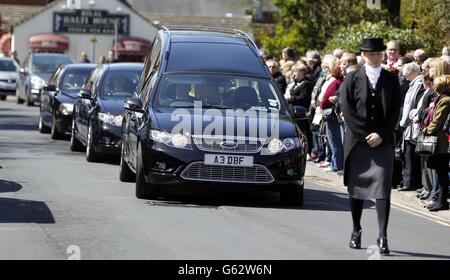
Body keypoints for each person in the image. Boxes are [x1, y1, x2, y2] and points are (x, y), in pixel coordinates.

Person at [341, 38, 402, 255]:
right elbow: (347, 110)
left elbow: (396, 110)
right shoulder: (351, 78)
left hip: (383, 141)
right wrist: (367, 134)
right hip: (358, 142)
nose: (376, 57)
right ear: (363, 55)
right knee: (357, 189)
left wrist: (382, 134)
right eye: (371, 54)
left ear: (383, 55)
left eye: (379, 54)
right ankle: (356, 230)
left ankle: (383, 235)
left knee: (383, 187)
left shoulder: (391, 79)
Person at [423, 75, 450, 211]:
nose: (433, 85)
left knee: (442, 172)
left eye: (436, 83)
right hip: (439, 140)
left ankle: (442, 201)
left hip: (442, 142)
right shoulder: (440, 99)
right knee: (439, 171)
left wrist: (426, 131)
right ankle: (440, 200)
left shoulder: (445, 100)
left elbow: (438, 121)